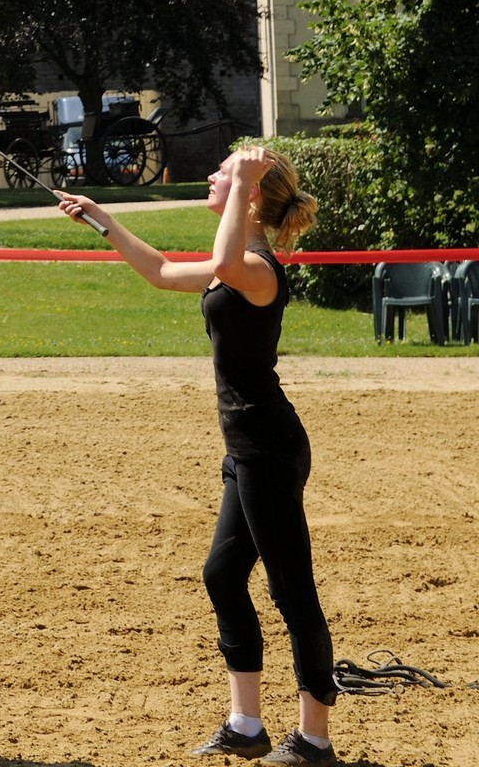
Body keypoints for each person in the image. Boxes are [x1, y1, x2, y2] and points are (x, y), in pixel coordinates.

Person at [58, 144, 336, 765]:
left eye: (223, 170)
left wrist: (242, 177)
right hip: (246, 449)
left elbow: (225, 258)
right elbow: (159, 272)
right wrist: (100, 218)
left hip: (269, 448)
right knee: (221, 575)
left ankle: (314, 739)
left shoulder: (255, 267)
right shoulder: (229, 264)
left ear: (250, 193)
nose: (211, 175)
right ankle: (246, 725)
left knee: (292, 592)